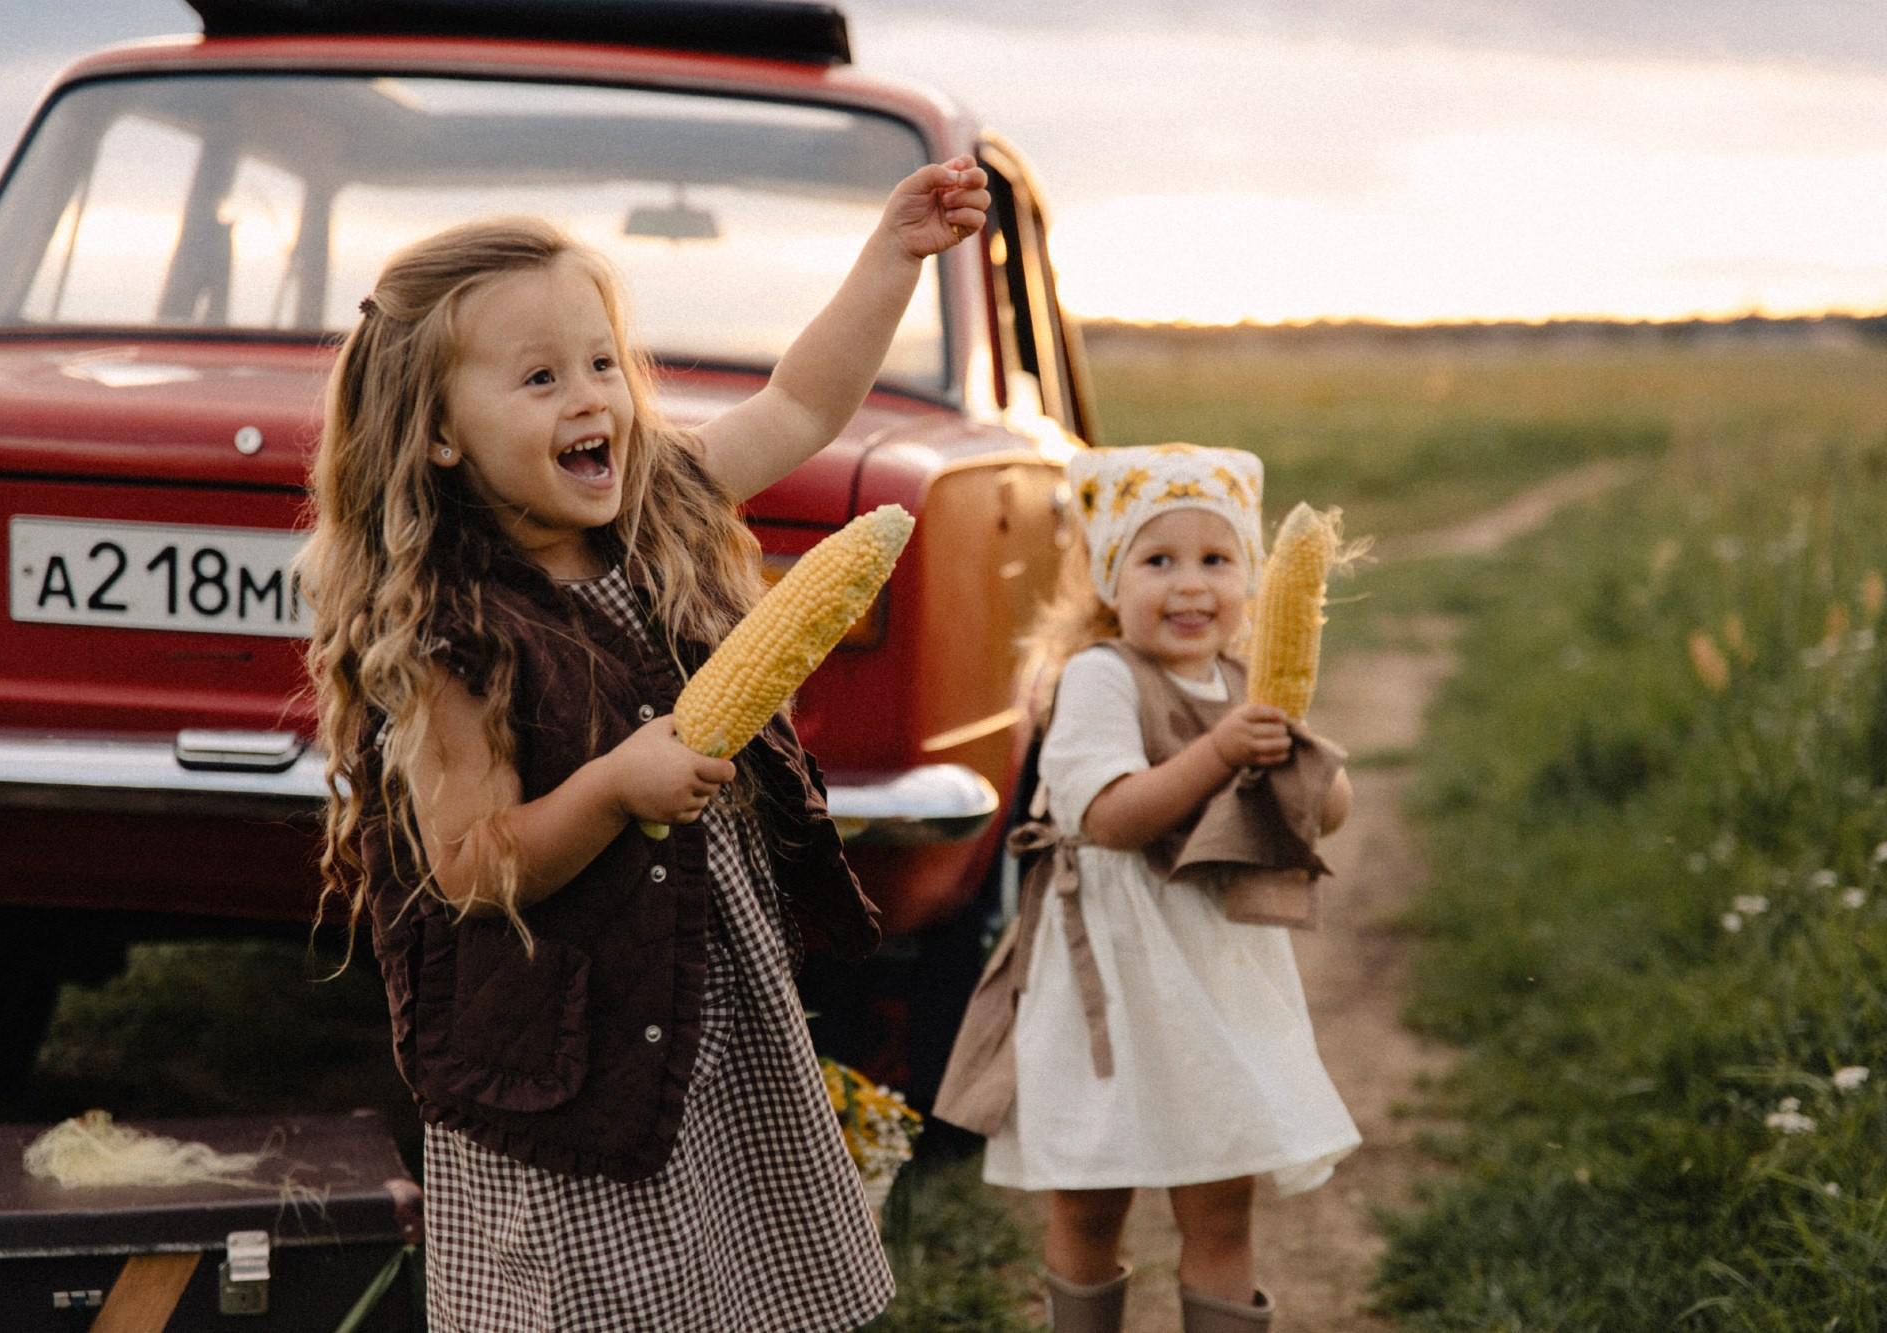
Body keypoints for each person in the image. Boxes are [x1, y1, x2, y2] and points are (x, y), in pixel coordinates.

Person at [299, 156, 989, 1331]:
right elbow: (469, 862)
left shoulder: (656, 504)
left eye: (603, 363)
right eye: (538, 377)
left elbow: (803, 406)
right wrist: (617, 786)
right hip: (561, 1060)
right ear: (440, 438)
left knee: (724, 1274)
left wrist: (892, 256)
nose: (593, 399)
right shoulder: (448, 634)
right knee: (595, 1301)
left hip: (700, 1004)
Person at [934, 443, 1362, 1333]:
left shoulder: (1247, 685)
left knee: (1220, 1201)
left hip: (1215, 975)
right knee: (1093, 1199)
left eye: (1217, 560)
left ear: (1250, 580)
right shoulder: (1100, 676)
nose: (1190, 585)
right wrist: (1221, 751)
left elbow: (1327, 811)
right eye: (1157, 560)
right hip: (1115, 975)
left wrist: (1301, 748)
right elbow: (1112, 817)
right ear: (1107, 579)